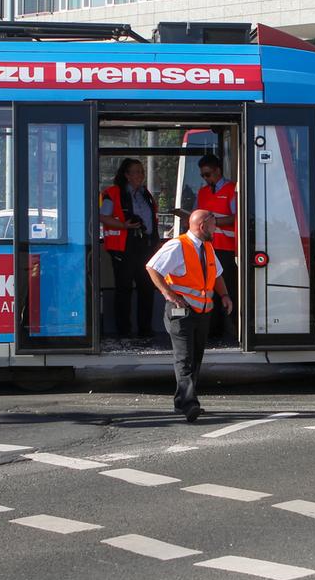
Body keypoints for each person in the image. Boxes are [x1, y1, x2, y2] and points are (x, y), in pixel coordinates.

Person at [146, 209, 233, 422]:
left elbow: (218, 274)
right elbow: (152, 268)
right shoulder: (178, 245)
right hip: (180, 313)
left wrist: (225, 295)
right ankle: (189, 403)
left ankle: (181, 400)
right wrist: (169, 293)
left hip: (202, 311)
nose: (216, 228)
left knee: (195, 357)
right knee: (184, 357)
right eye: (213, 225)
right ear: (202, 226)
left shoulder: (208, 247)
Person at [100, 158, 158, 339]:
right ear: (126, 175)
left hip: (145, 245)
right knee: (123, 289)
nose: (140, 175)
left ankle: (145, 330)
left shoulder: (145, 193)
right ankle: (123, 331)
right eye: (136, 172)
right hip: (123, 247)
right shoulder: (113, 193)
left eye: (141, 171)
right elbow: (102, 216)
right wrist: (124, 225)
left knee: (147, 288)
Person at [195, 154, 237, 344]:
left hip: (226, 249)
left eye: (208, 174)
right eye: (203, 175)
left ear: (218, 171)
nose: (206, 178)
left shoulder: (232, 190)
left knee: (228, 288)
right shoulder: (202, 192)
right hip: (206, 248)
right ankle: (213, 331)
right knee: (208, 289)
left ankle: (235, 330)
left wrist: (213, 222)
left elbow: (238, 216)